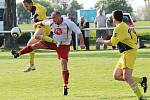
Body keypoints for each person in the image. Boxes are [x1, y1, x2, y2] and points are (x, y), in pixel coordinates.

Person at [12, 11, 85, 95]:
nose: (52, 19)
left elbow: (79, 33)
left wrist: (82, 43)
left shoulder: (69, 23)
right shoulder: (51, 21)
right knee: (35, 45)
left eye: (54, 18)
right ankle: (18, 53)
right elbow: (43, 23)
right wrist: (36, 24)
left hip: (63, 46)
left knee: (64, 63)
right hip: (53, 42)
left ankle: (65, 85)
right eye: (52, 18)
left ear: (59, 17)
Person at [96, 10, 147, 100]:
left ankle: (141, 98)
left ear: (114, 18)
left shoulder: (119, 28)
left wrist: (101, 41)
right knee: (116, 75)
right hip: (126, 53)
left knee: (127, 77)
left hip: (129, 52)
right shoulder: (124, 25)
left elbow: (112, 42)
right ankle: (141, 80)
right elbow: (134, 37)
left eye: (111, 17)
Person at [22, 0, 53, 72]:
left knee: (35, 38)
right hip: (39, 27)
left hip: (43, 27)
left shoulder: (38, 7)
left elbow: (44, 9)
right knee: (29, 45)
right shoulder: (33, 4)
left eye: (26, 6)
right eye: (24, 7)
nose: (26, 8)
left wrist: (35, 16)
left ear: (30, 4)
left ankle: (55, 42)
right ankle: (31, 65)